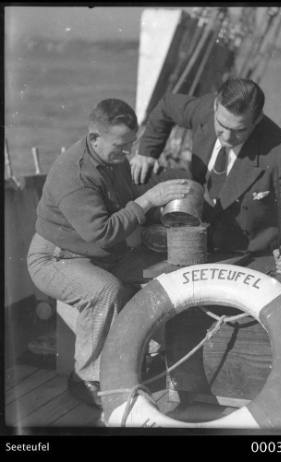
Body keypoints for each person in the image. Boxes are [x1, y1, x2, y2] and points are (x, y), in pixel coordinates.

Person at [27, 98, 191, 408]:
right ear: (94, 138)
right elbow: (100, 232)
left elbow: (127, 200)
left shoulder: (113, 158)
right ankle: (87, 379)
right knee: (106, 291)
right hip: (56, 258)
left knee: (166, 273)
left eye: (131, 145)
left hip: (101, 254)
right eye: (120, 146)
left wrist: (162, 190)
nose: (127, 153)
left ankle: (146, 357)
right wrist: (149, 201)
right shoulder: (73, 173)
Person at [130, 78, 281, 273]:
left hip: (245, 252)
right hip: (197, 228)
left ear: (257, 120)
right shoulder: (204, 110)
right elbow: (167, 105)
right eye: (221, 125)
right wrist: (147, 152)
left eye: (239, 130)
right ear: (215, 106)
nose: (227, 137)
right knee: (133, 176)